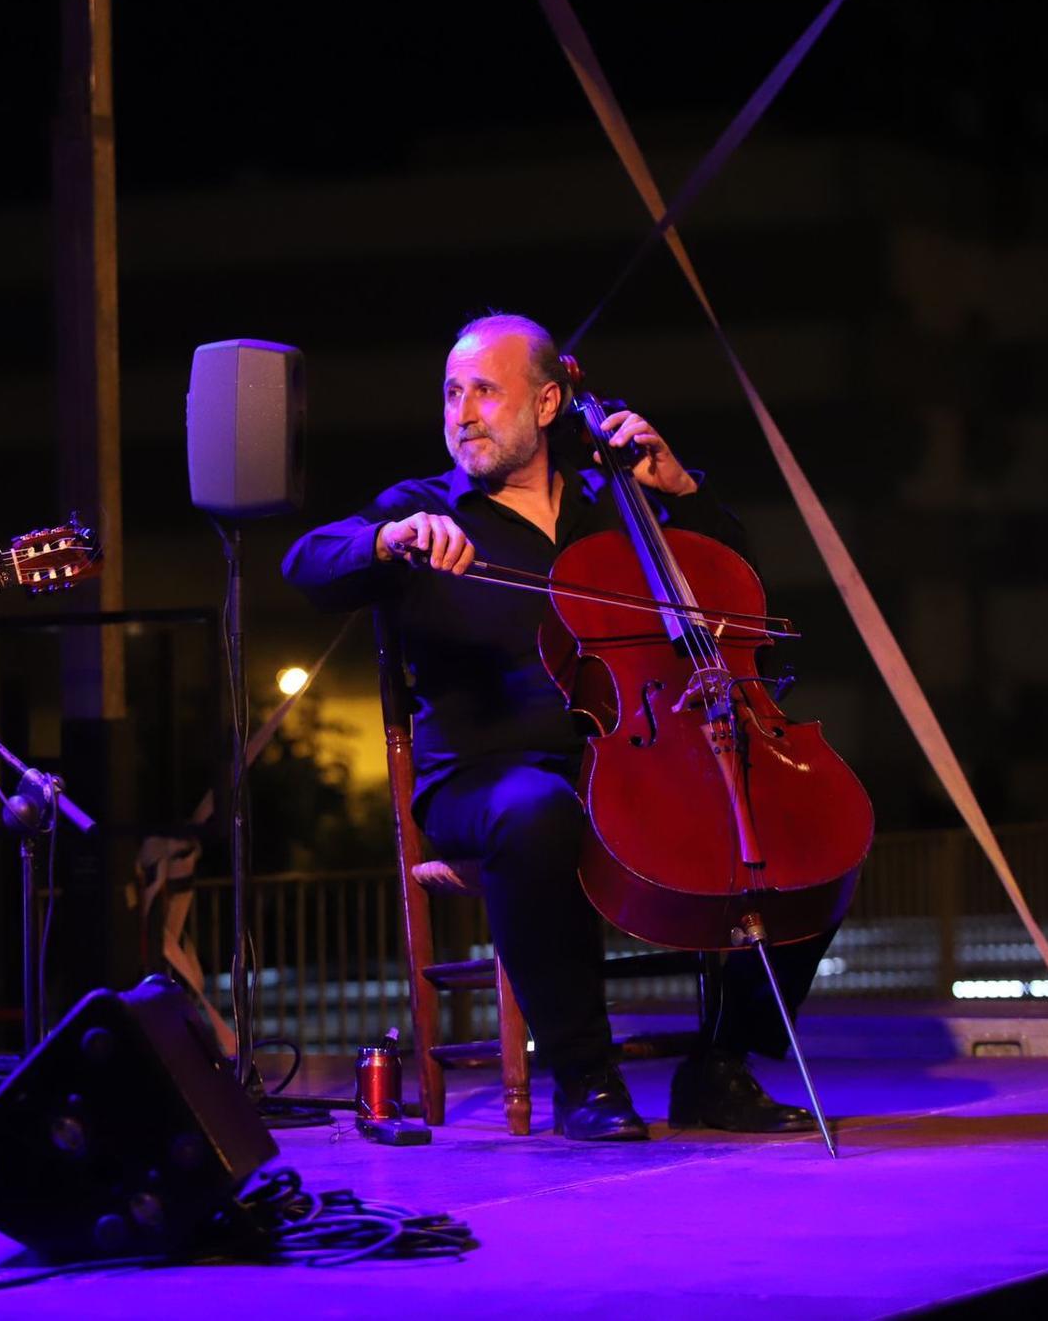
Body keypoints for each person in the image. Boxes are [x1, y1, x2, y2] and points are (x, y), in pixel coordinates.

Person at [282, 313, 837, 1140]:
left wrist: (681, 492)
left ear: (548, 405)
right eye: (451, 393)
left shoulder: (614, 508)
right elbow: (307, 562)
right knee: (537, 810)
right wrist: (388, 541)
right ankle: (585, 1080)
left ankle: (722, 1066)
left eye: (483, 392)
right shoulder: (426, 510)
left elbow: (728, 587)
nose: (461, 413)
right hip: (483, 777)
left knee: (808, 821)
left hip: (629, 765)